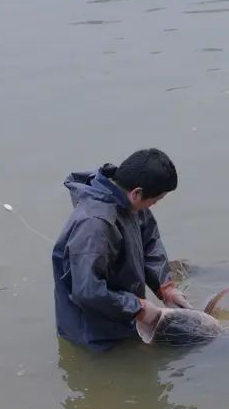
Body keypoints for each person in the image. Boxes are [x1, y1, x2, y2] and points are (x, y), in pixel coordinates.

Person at [52, 148, 190, 352]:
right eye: (154, 201)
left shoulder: (130, 202)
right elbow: (88, 291)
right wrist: (139, 308)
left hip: (122, 313)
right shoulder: (95, 225)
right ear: (137, 193)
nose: (153, 206)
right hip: (94, 334)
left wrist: (165, 287)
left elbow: (149, 241)